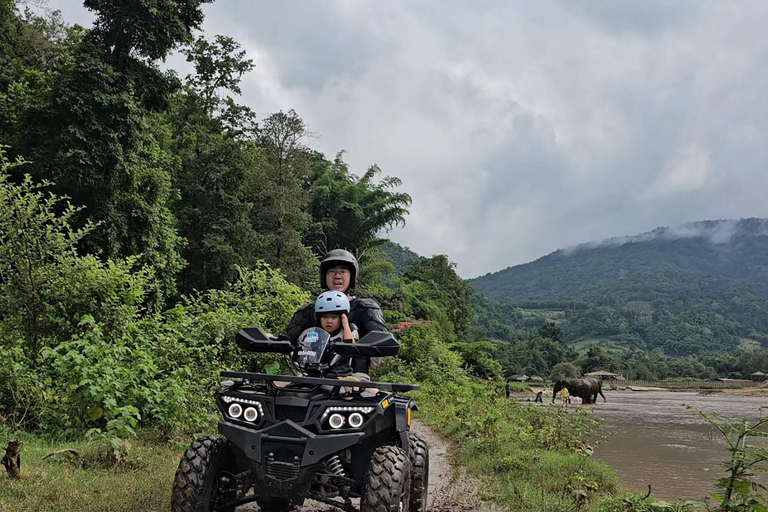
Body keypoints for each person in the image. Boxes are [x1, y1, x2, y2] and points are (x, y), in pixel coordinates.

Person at [286, 249, 388, 373]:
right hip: (311, 376)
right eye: (332, 271)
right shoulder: (309, 311)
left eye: (343, 271)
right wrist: (270, 340)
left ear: (352, 276)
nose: (337, 276)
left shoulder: (365, 309)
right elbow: (288, 341)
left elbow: (381, 343)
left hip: (352, 379)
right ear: (324, 276)